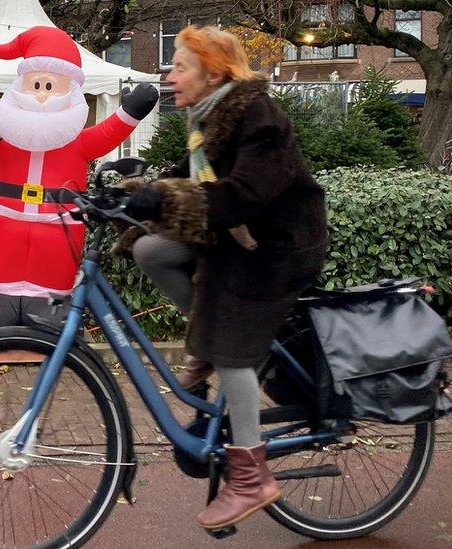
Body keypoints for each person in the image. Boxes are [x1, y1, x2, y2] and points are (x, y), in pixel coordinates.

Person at [118, 26, 328, 531]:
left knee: (235, 348)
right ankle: (206, 343)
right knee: (152, 250)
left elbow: (245, 194)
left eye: (180, 67)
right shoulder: (209, 115)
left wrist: (165, 200)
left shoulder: (260, 117)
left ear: (213, 74)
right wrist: (137, 195)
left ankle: (252, 478)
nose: (170, 76)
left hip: (275, 247)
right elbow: (194, 176)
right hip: (237, 235)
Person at [0, 26, 158, 338]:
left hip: (57, 221)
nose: (41, 94)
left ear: (70, 90)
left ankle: (48, 304)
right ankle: (2, 302)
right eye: (35, 84)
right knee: (3, 275)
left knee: (51, 280)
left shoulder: (76, 140)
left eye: (50, 85)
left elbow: (107, 134)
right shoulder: (8, 130)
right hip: (7, 218)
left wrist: (130, 112)